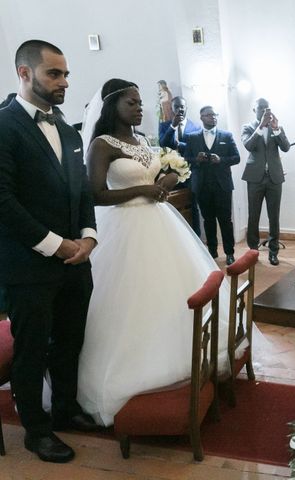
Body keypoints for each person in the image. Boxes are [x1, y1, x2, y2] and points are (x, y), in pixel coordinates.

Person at [76, 79, 249, 427]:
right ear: (113, 106)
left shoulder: (141, 140)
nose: (140, 108)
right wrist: (145, 189)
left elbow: (155, 179)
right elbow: (95, 194)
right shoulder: (101, 145)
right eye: (132, 103)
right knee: (132, 300)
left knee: (171, 289)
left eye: (141, 103)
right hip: (124, 227)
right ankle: (137, 373)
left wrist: (166, 180)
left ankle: (191, 363)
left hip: (158, 221)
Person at [0, 40, 100, 463]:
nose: (64, 82)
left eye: (66, 74)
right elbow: (3, 201)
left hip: (76, 262)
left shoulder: (68, 129)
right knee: (33, 348)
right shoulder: (4, 126)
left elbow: (82, 191)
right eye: (53, 74)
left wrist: (89, 236)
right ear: (24, 73)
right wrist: (56, 245)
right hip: (29, 265)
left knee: (70, 341)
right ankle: (36, 432)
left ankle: (64, 409)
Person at [184, 106, 240, 265]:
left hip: (222, 185)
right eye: (209, 115)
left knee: (225, 220)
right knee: (208, 220)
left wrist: (221, 159)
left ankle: (229, 253)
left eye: (215, 114)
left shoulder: (226, 135)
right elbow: (186, 158)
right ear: (201, 117)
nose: (213, 117)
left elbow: (236, 158)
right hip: (202, 185)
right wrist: (197, 159)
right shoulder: (192, 137)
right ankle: (212, 252)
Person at [241, 98, 290, 266]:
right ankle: (253, 251)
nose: (264, 110)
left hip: (274, 178)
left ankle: (273, 251)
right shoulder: (248, 127)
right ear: (254, 110)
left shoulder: (276, 128)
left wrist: (276, 128)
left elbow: (286, 147)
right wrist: (261, 127)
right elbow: (249, 145)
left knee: (274, 216)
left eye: (266, 107)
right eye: (260, 108)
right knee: (253, 215)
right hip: (255, 177)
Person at [159, 95, 202, 236]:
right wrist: (173, 126)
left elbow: (195, 148)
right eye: (176, 107)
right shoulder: (164, 125)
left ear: (186, 108)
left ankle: (196, 238)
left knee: (193, 206)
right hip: (170, 172)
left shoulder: (195, 126)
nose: (180, 109)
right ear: (172, 109)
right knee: (172, 204)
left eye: (182, 106)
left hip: (191, 172)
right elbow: (163, 143)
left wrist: (179, 144)